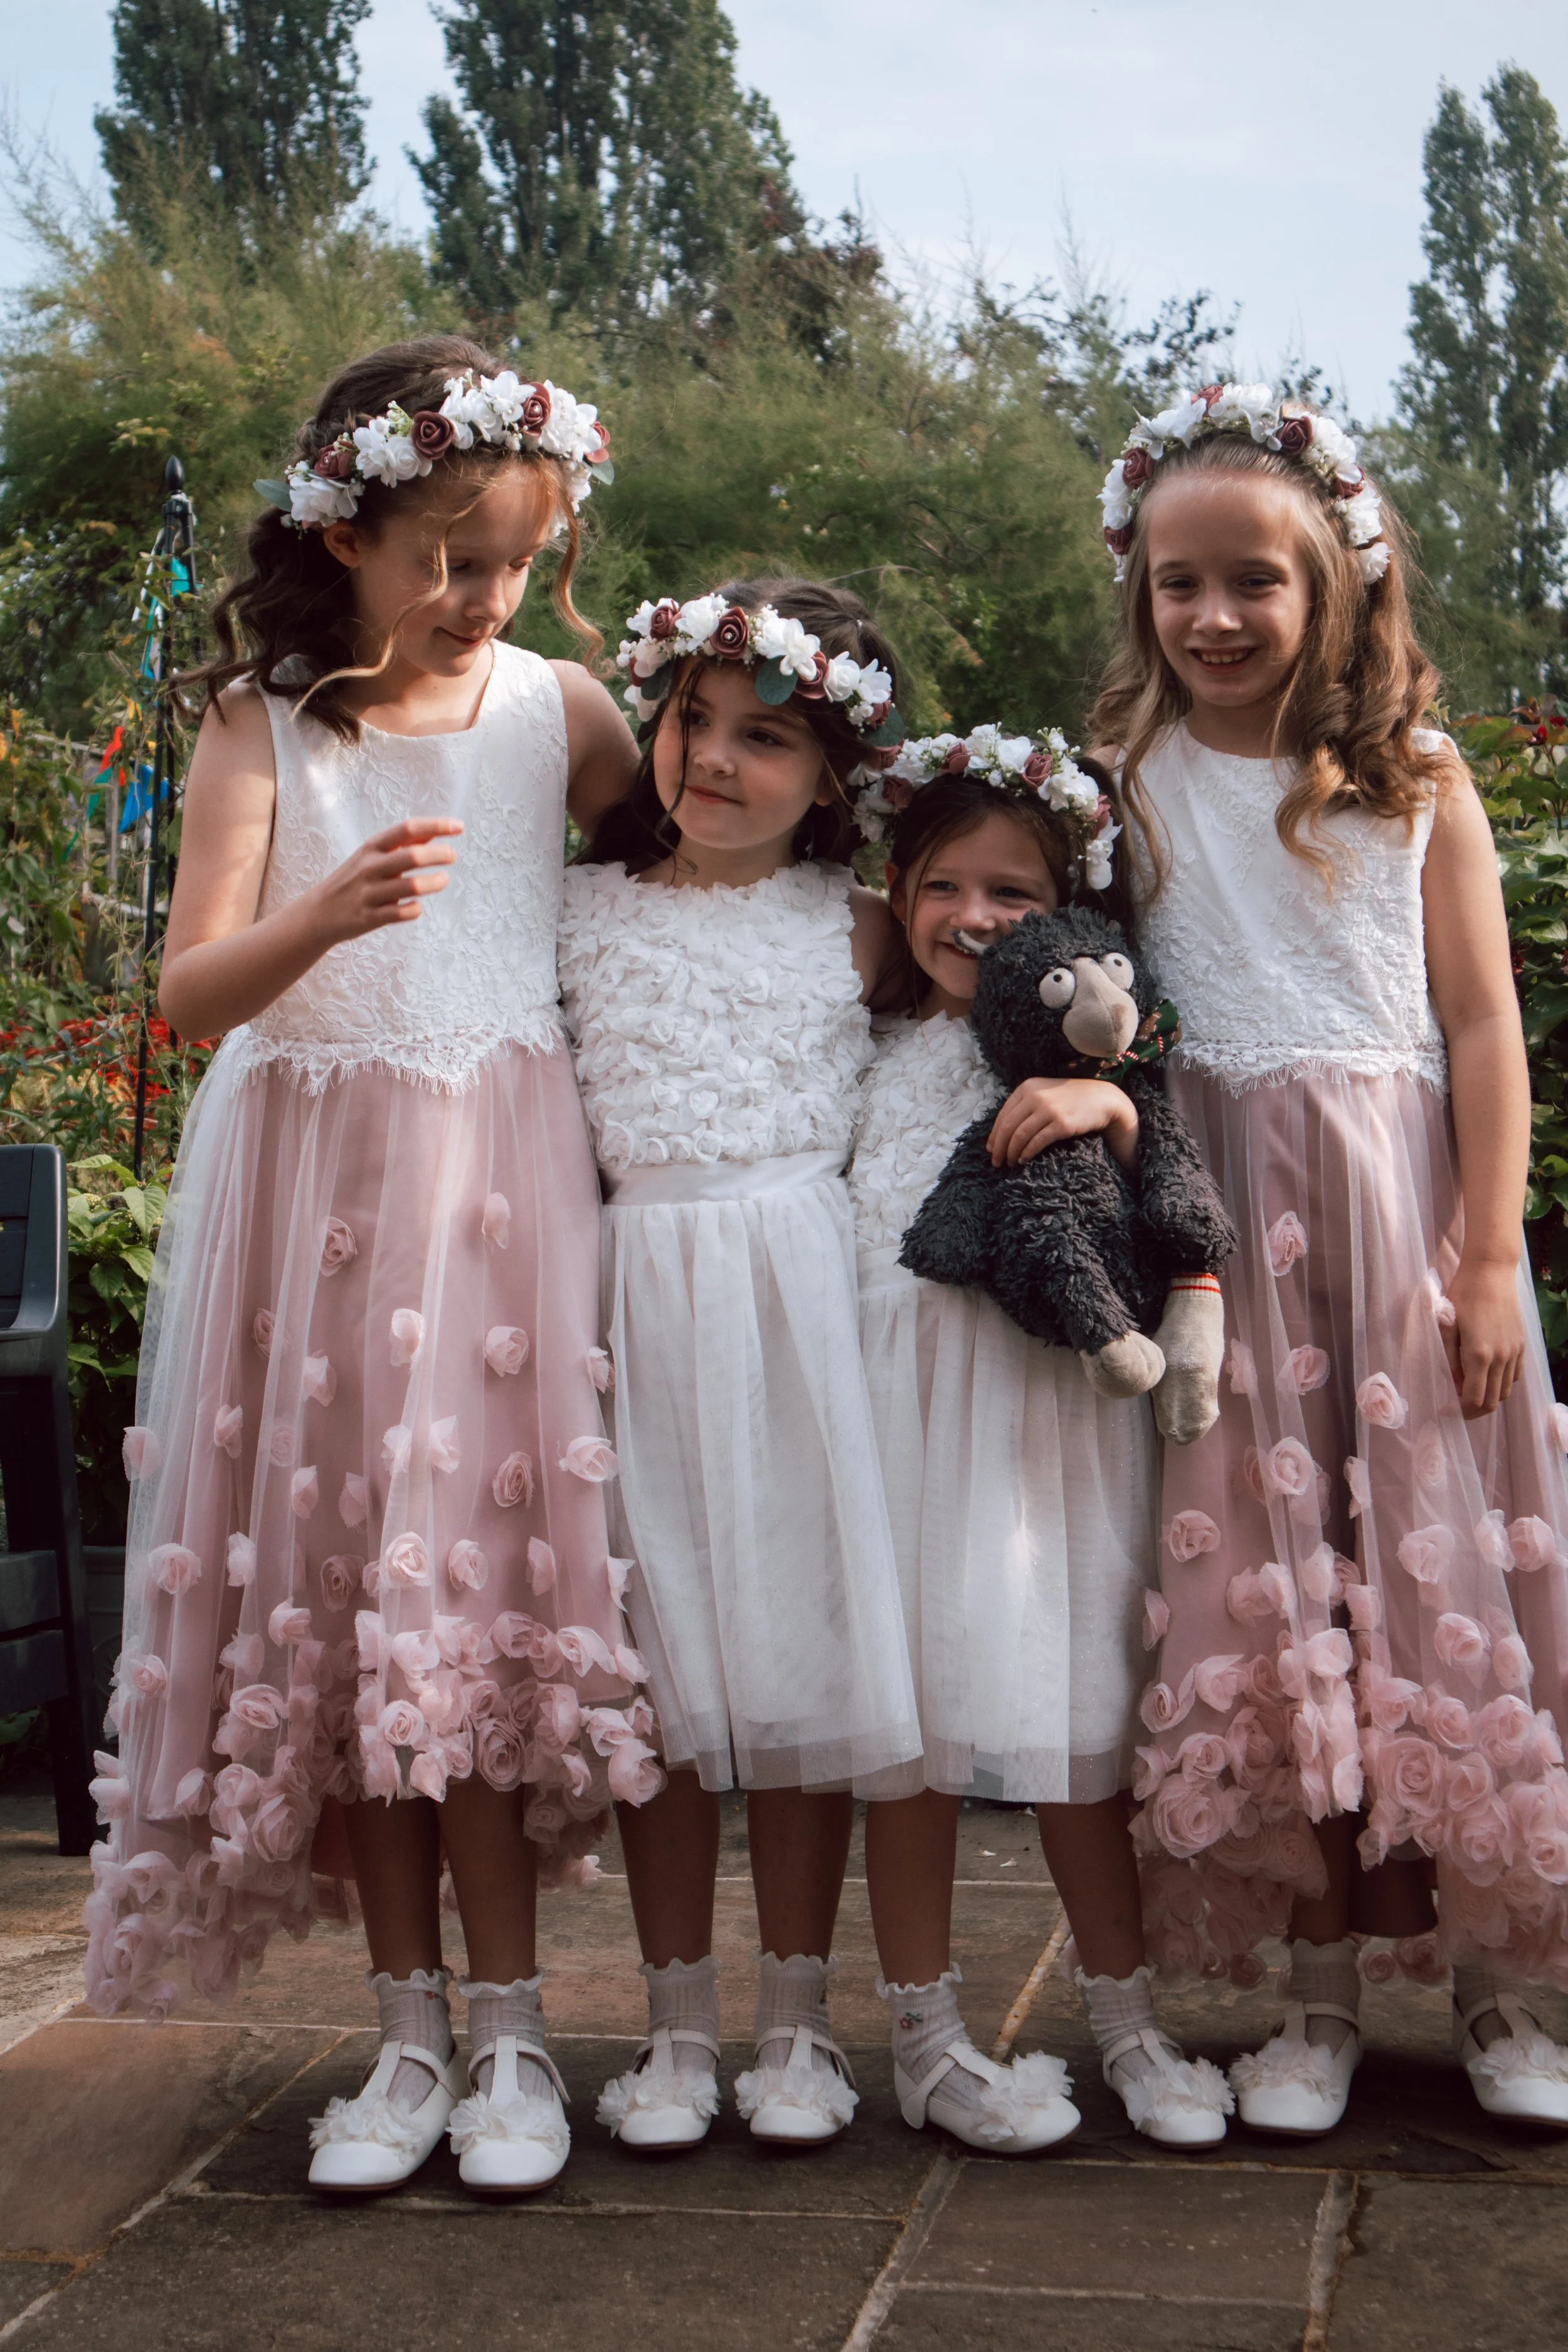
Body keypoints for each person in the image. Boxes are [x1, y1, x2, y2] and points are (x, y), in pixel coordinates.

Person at [92, 336, 662, 2197]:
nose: (475, 595)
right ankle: (406, 2031)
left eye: (507, 558)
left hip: (497, 1203)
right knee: (351, 1614)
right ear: (343, 530)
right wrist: (315, 913)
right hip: (314, 1207)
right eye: (441, 551)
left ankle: (514, 2033)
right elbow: (185, 994)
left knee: (473, 1616)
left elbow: (702, 862)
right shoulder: (269, 725)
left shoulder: (558, 711)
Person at [1092, 380, 1568, 2133]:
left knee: (1445, 1576)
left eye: (1252, 582)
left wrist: (1490, 1249)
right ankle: (1310, 1999)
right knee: (1274, 1586)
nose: (1211, 617)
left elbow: (1479, 1022)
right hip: (1223, 1235)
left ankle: (1500, 1981)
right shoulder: (1127, 780)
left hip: (1396, 1226)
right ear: (1136, 592)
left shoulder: (1406, 776)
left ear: (1336, 587)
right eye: (1176, 584)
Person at [556, 580, 924, 2154]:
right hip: (631, 1304)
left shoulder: (857, 938)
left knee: (789, 1666)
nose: (708, 760)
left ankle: (795, 2024)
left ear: (833, 773)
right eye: (690, 720)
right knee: (661, 1672)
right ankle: (674, 2023)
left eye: (760, 737)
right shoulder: (577, 912)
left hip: (799, 1321)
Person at [848, 727, 1234, 2152]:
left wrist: (1113, 1106)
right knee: (913, 1742)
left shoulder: (1107, 1056)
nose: (972, 920)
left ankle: (1126, 2024)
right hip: (897, 1430)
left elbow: (1175, 1208)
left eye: (1009, 893)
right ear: (894, 896)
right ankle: (925, 2038)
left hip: (1050, 1431)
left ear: (1069, 915)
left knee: (1077, 1715)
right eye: (941, 886)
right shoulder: (872, 1045)